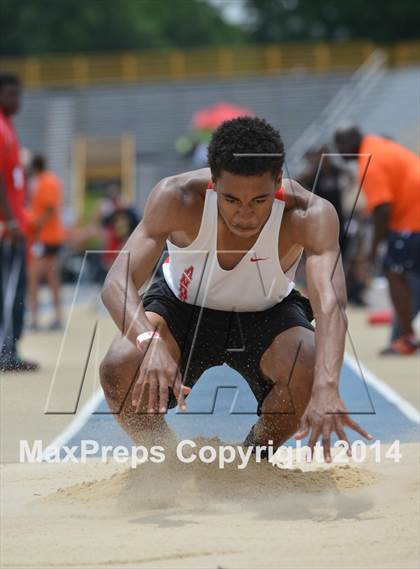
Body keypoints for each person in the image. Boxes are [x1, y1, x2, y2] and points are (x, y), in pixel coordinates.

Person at [100, 117, 372, 461]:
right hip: (183, 308)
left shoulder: (309, 214)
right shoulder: (177, 197)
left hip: (267, 314)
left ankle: (254, 458)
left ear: (278, 182)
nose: (245, 215)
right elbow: (116, 282)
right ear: (213, 181)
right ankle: (167, 459)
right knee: (120, 363)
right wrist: (148, 342)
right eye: (230, 200)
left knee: (310, 361)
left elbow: (331, 307)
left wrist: (327, 387)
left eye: (259, 201)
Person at [335, 126, 420, 355]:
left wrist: (374, 250)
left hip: (411, 219)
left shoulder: (369, 160)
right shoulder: (377, 145)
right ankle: (406, 335)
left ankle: (407, 338)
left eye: (340, 144)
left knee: (395, 272)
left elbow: (383, 209)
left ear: (352, 141)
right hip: (411, 214)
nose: (338, 150)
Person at [0, 73, 38, 372]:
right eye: (11, 95)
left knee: (15, 289)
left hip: (15, 224)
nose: (17, 102)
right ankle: (5, 351)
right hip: (7, 227)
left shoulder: (8, 126)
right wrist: (11, 222)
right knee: (9, 290)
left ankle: (10, 347)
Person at [27, 154, 65, 330]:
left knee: (34, 277)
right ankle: (57, 316)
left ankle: (34, 319)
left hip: (45, 238)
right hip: (51, 237)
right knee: (52, 277)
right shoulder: (49, 180)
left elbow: (49, 209)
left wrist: (35, 225)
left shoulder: (45, 182)